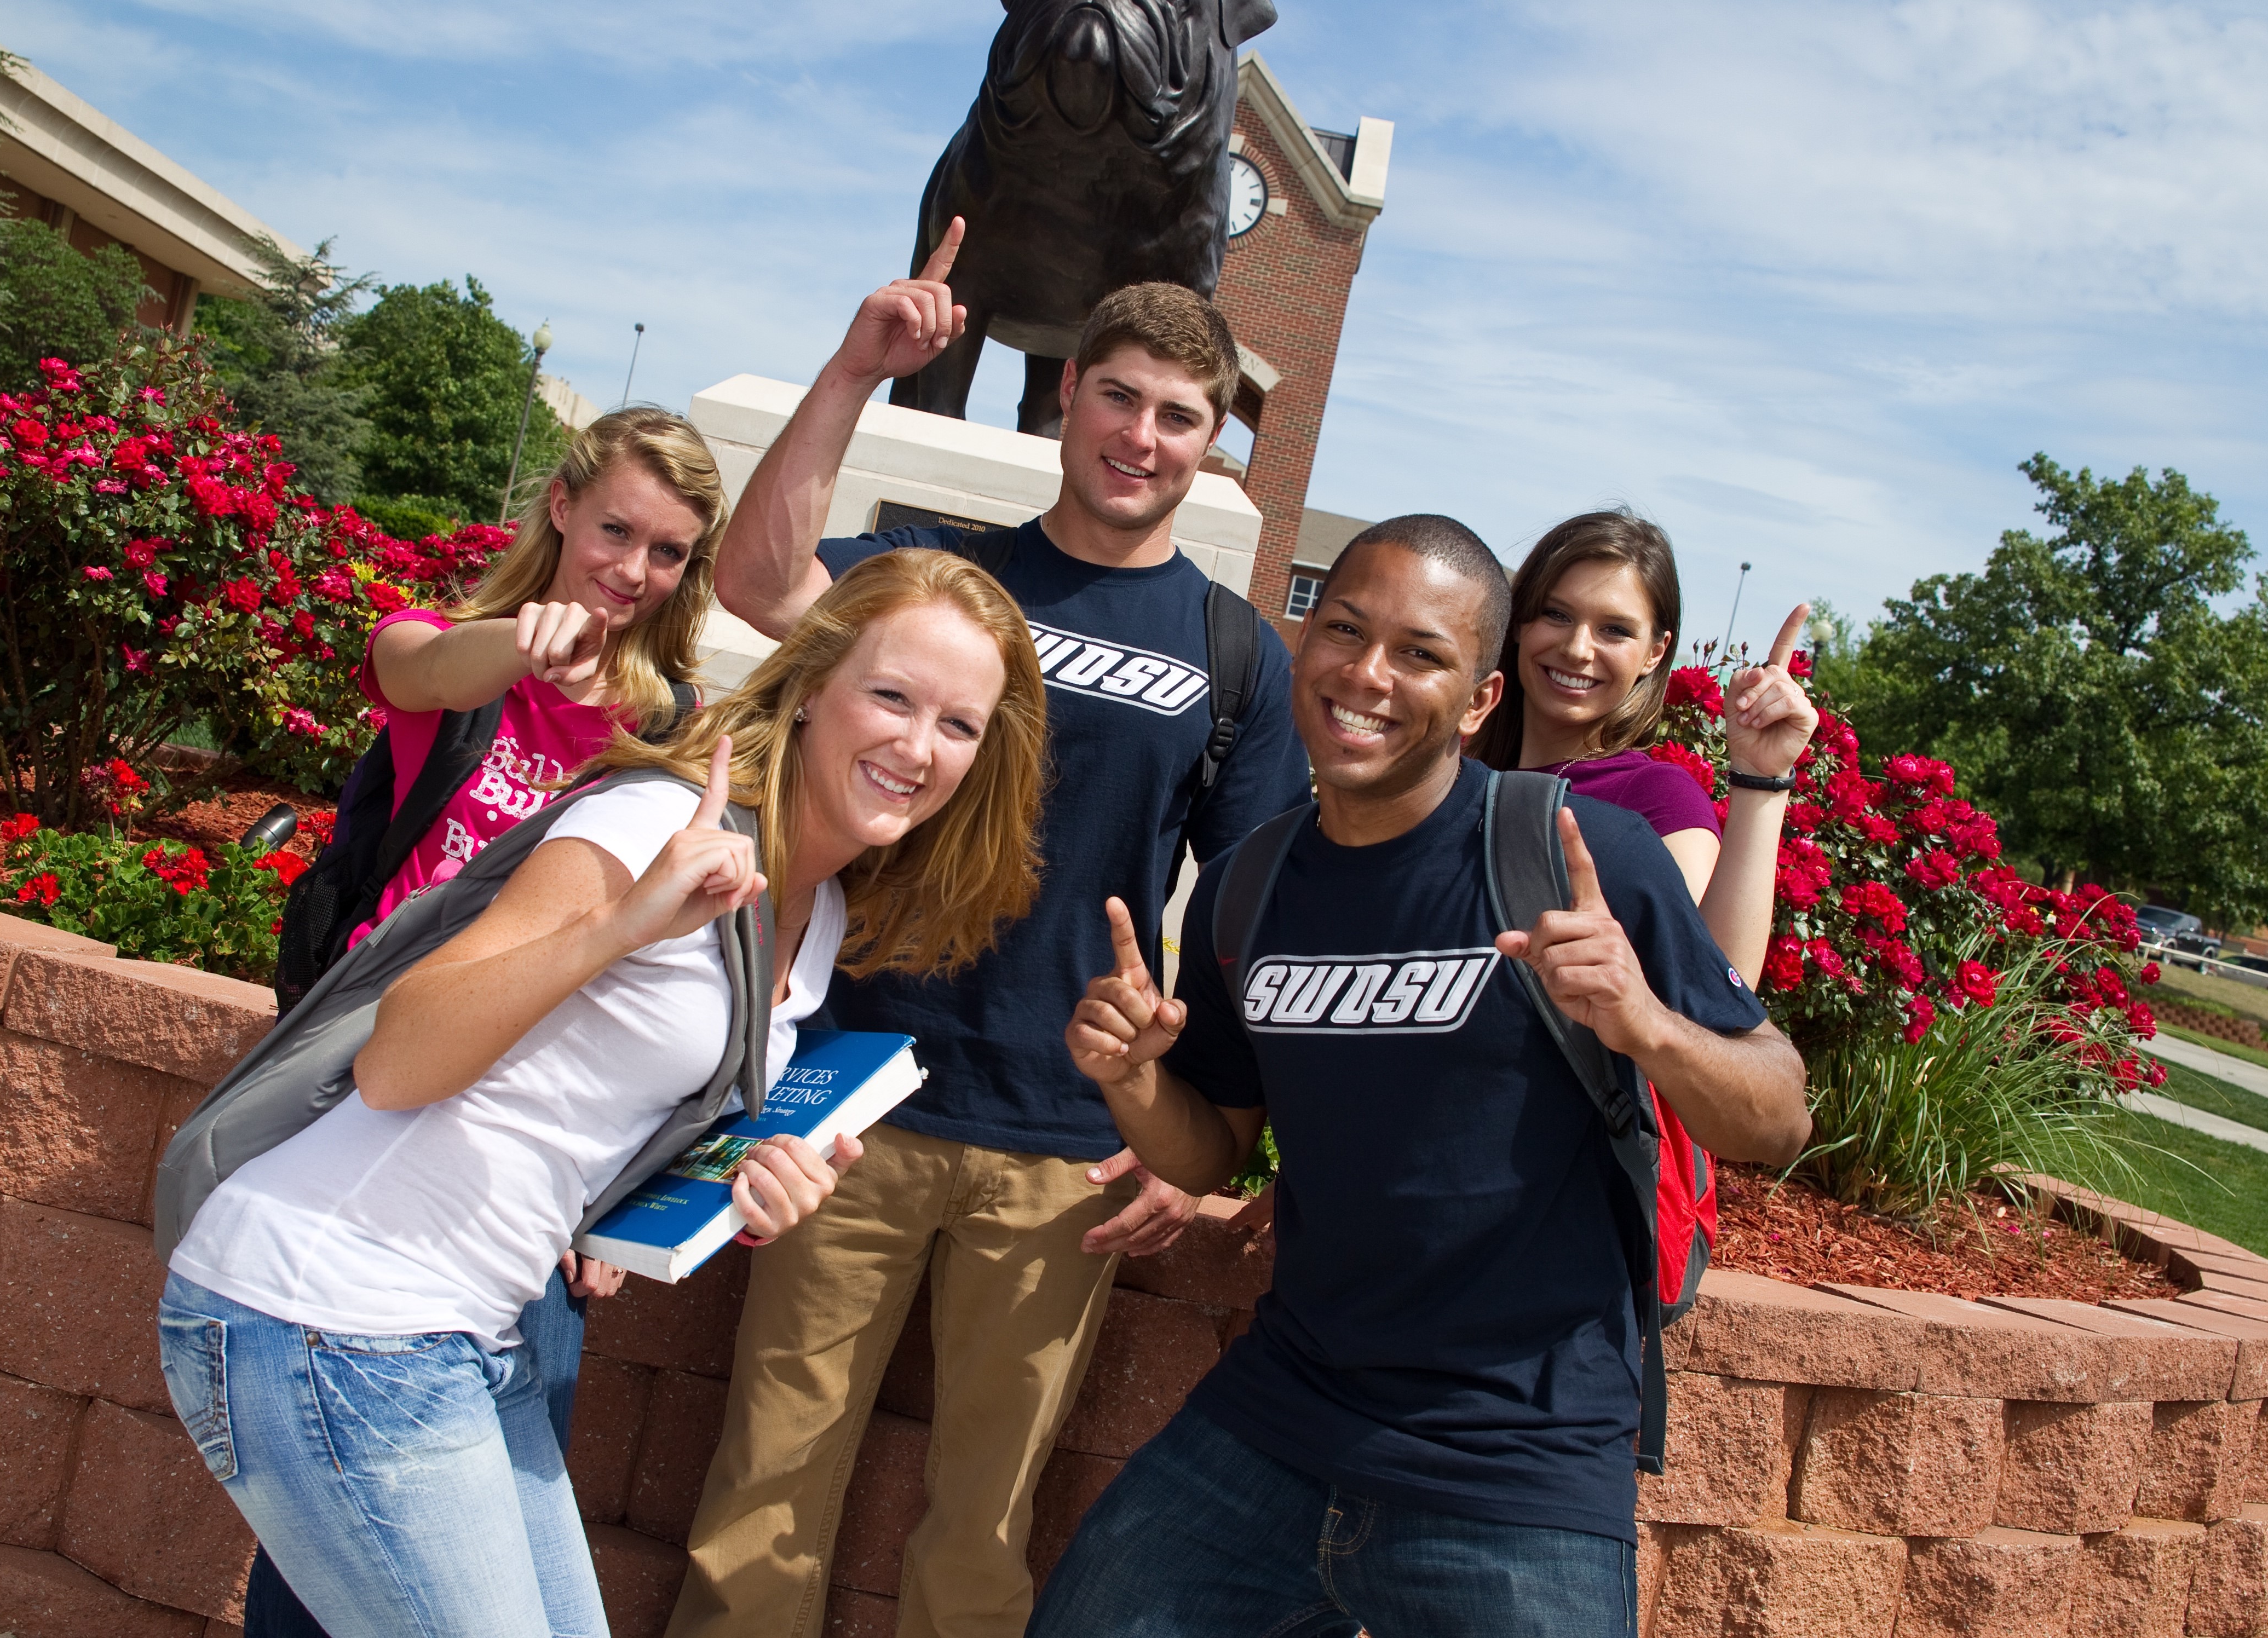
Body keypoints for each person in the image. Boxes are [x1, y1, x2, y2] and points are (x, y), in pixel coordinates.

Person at [159, 549, 1050, 1638]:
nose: (919, 746)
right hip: (331, 1309)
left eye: (959, 724)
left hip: (472, 1336)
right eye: (893, 696)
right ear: (814, 683)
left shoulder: (815, 922)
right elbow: (400, 1059)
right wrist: (623, 923)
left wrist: (742, 1177)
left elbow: (587, 1100)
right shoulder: (654, 821)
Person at [666, 227, 1310, 1638]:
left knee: (983, 1528)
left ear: (1216, 445)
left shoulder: (1231, 652)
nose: (1142, 435)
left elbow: (1263, 914)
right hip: (843, 1105)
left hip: (1059, 1154)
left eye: (1180, 416)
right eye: (1121, 396)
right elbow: (758, 582)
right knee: (761, 1495)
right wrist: (854, 371)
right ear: (1068, 392)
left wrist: (1203, 1133)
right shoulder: (939, 577)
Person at [1040, 515, 1811, 1637]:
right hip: (1282, 1416)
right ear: (1304, 641)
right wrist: (1132, 1078)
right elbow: (1214, 1149)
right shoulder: (1249, 882)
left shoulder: (1579, 856)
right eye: (1346, 629)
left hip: (1517, 1461)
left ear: (1482, 699)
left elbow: (1777, 1110)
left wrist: (1648, 1023)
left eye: (1420, 652)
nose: (1367, 674)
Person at [244, 403, 730, 1637]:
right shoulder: (456, 661)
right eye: (615, 528)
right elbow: (417, 664)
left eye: (667, 550)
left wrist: (617, 1193)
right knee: (320, 1525)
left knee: (487, 1496)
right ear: (561, 508)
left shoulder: (670, 732)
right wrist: (519, 647)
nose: (632, 569)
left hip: (527, 1155)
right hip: (361, 1099)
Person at [1466, 510, 1818, 981]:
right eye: (1557, 614)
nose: (1577, 648)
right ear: (1518, 622)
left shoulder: (1657, 798)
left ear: (1655, 652)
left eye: (1615, 629)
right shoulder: (1455, 773)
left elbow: (1716, 987)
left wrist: (1762, 778)